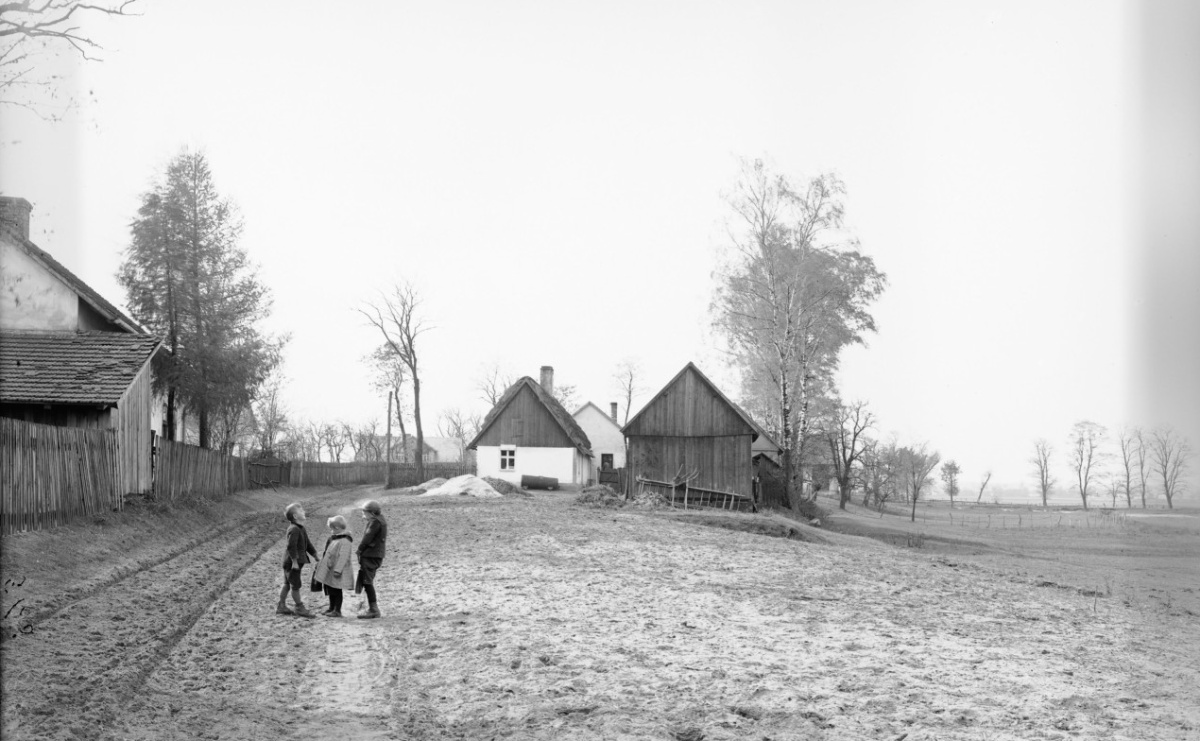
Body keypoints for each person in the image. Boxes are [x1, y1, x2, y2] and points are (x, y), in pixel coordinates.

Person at [277, 502, 318, 618]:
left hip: (290, 561)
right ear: (295, 516)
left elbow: (307, 543)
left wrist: (314, 554)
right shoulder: (294, 529)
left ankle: (281, 606)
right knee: (295, 585)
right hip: (292, 563)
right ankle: (299, 607)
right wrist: (294, 561)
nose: (304, 512)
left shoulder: (300, 528)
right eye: (301, 511)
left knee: (287, 584)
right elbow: (291, 546)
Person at [312, 514, 354, 617]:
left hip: (337, 571)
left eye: (332, 529)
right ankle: (331, 607)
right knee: (330, 588)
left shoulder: (345, 541)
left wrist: (338, 570)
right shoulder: (335, 538)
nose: (331, 531)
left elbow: (343, 557)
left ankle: (337, 610)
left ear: (337, 528)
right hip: (330, 568)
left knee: (337, 590)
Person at [355, 499, 387, 619]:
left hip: (370, 555)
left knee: (367, 582)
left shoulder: (374, 522)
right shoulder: (380, 519)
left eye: (365, 513)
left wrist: (359, 549)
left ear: (372, 513)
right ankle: (370, 607)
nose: (363, 515)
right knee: (367, 581)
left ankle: (374, 609)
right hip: (377, 555)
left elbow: (368, 537)